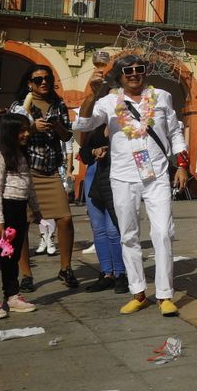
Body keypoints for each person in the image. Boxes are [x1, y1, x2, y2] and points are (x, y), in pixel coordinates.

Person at [73, 55, 190, 316]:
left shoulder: (162, 97)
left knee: (163, 233)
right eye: (128, 71)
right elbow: (83, 124)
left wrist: (182, 165)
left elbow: (175, 132)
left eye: (139, 69)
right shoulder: (107, 101)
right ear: (119, 76)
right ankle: (138, 293)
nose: (134, 74)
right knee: (128, 235)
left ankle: (165, 295)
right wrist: (91, 94)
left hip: (157, 175)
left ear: (145, 72)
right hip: (123, 177)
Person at [11, 65, 79, 289]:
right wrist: (32, 128)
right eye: (38, 79)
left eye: (47, 78)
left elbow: (67, 136)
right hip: (26, 171)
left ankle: (65, 268)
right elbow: (10, 135)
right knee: (22, 223)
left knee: (65, 219)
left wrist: (57, 126)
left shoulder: (58, 104)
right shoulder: (19, 106)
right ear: (29, 83)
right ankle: (26, 274)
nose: (43, 82)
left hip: (51, 171)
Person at [0, 112, 40, 319]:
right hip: (2, 212)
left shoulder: (22, 156)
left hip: (19, 210)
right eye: (21, 131)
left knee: (12, 256)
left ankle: (12, 294)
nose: (26, 134)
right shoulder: (0, 157)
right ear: (9, 132)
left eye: (27, 130)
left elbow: (29, 185)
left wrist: (35, 208)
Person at [78, 124, 126, 293]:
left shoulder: (126, 125)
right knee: (98, 229)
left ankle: (120, 273)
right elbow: (83, 154)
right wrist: (94, 151)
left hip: (115, 175)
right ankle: (107, 273)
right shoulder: (95, 127)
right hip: (93, 175)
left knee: (113, 230)